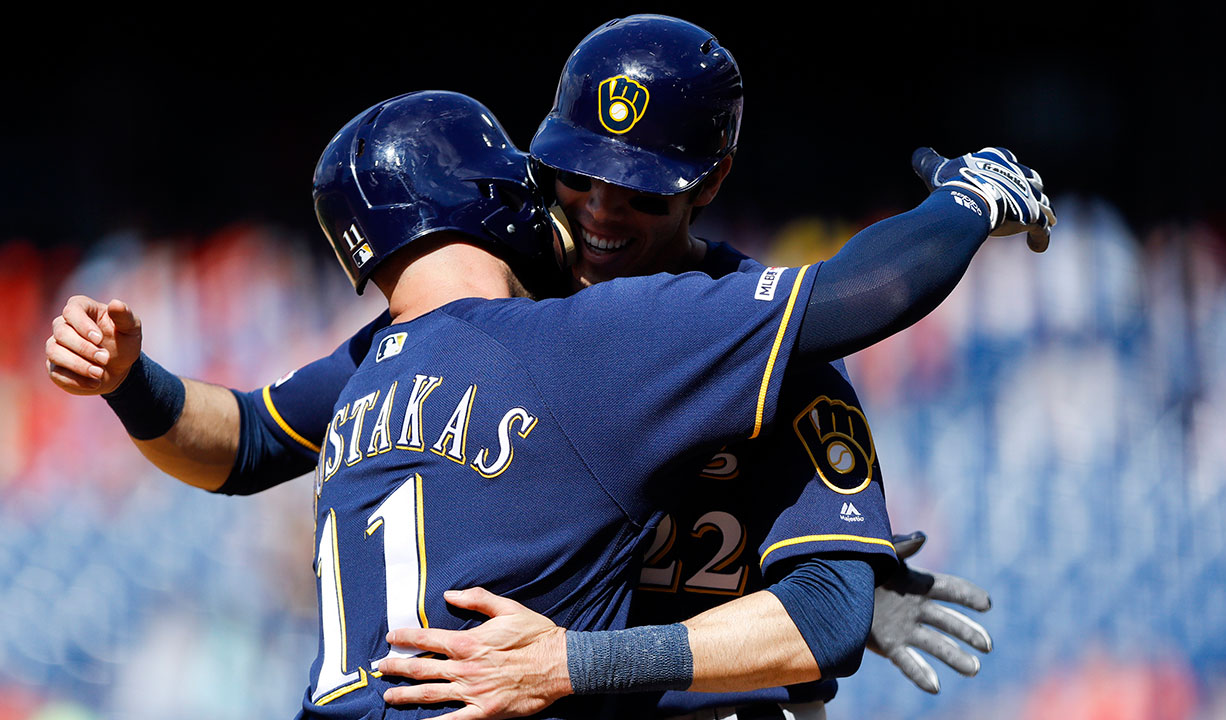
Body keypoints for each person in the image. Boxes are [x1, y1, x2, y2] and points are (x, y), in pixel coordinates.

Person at [43, 17, 1049, 719]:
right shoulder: (488, 323)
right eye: (579, 178)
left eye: (640, 193)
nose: (603, 213)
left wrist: (578, 663)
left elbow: (827, 614)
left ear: (712, 184)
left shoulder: (764, 351)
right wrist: (133, 382)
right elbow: (254, 440)